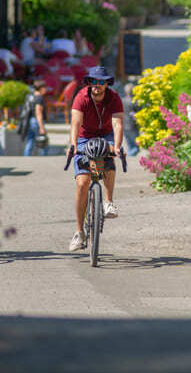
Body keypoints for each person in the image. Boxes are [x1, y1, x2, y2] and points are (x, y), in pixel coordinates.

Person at [66, 65, 125, 252]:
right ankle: (79, 232)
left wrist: (116, 147)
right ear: (89, 82)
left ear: (107, 83)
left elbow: (117, 124)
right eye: (94, 82)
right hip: (84, 137)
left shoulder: (114, 98)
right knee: (82, 183)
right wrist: (74, 145)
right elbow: (75, 122)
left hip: (106, 135)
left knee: (108, 160)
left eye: (101, 82)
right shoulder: (81, 97)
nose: (97, 86)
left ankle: (108, 202)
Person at [23, 80, 49, 157]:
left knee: (30, 140)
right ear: (41, 88)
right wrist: (41, 127)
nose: (46, 89)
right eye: (44, 88)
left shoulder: (31, 96)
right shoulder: (39, 98)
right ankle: (45, 158)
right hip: (36, 121)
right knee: (43, 141)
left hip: (30, 121)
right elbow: (38, 113)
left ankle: (26, 158)